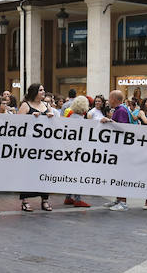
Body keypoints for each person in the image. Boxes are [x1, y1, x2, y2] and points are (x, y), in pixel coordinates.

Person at [18, 83, 54, 211]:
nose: (43, 92)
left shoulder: (47, 105)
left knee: (44, 172)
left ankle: (45, 199)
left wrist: (50, 117)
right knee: (27, 172)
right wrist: (31, 118)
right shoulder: (25, 105)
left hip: (44, 146)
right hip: (29, 147)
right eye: (40, 90)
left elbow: (55, 124)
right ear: (34, 92)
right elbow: (17, 125)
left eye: (43, 89)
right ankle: (25, 200)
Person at [102, 90, 132, 211]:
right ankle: (119, 199)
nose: (108, 100)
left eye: (109, 97)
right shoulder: (119, 110)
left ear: (114, 99)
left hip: (122, 149)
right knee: (117, 174)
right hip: (118, 148)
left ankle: (123, 202)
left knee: (121, 174)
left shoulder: (121, 110)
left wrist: (109, 121)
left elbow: (124, 128)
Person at [62, 96, 92, 209]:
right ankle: (78, 199)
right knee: (77, 174)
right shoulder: (81, 121)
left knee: (71, 173)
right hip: (78, 151)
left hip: (68, 150)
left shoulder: (69, 117)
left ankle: (68, 196)